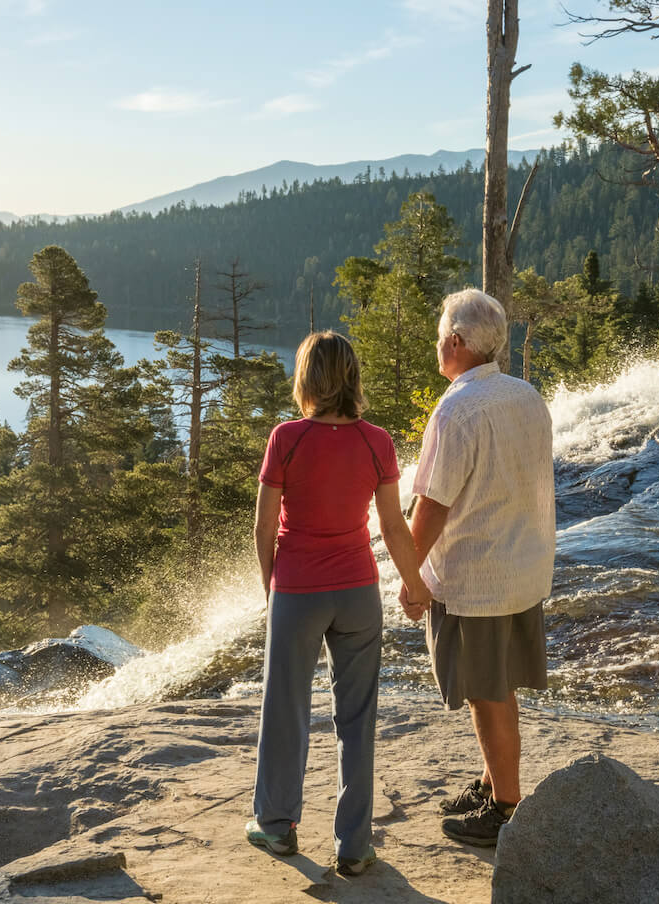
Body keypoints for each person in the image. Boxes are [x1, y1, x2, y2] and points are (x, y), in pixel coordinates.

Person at [246, 331, 432, 876]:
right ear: (352, 379)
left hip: (298, 592)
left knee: (286, 710)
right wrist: (415, 585)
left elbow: (263, 526)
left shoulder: (288, 438)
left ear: (307, 379)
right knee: (357, 719)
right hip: (358, 593)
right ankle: (354, 845)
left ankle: (277, 827)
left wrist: (271, 587)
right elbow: (394, 527)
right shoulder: (377, 441)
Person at [398, 288, 556, 848]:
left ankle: (506, 807)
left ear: (458, 342)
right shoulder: (527, 396)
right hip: (526, 568)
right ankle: (493, 784)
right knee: (498, 682)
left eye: (442, 333)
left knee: (486, 693)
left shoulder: (455, 410)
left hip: (476, 579)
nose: (438, 342)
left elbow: (432, 506)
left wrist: (411, 579)